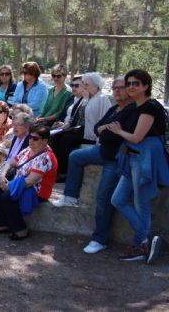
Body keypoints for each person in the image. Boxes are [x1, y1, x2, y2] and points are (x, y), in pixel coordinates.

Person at [51, 77, 135, 255]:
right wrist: (107, 128)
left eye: (121, 88)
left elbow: (121, 135)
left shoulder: (132, 110)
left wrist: (109, 130)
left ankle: (100, 239)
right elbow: (97, 127)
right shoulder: (114, 108)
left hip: (115, 157)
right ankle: (70, 196)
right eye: (115, 88)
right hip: (102, 150)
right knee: (75, 156)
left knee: (104, 198)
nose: (117, 91)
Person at [107, 69, 169, 263]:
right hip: (132, 158)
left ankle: (141, 244)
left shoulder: (149, 107)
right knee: (118, 199)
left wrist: (118, 131)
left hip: (144, 159)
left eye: (136, 83)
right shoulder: (135, 106)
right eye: (129, 83)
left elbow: (137, 137)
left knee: (141, 202)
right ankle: (146, 239)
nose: (131, 87)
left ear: (145, 86)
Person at [0, 124, 58, 240]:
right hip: (20, 184)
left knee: (8, 196)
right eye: (30, 137)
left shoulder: (46, 157)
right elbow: (10, 163)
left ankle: (20, 229)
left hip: (37, 191)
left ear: (45, 140)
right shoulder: (28, 150)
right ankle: (3, 223)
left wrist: (9, 186)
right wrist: (2, 177)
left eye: (35, 138)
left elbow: (31, 181)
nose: (31, 140)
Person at [0, 112, 33, 221]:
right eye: (14, 124)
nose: (15, 127)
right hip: (7, 167)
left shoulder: (29, 140)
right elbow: (10, 156)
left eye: (18, 125)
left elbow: (21, 160)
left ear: (27, 127)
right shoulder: (16, 137)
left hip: (18, 171)